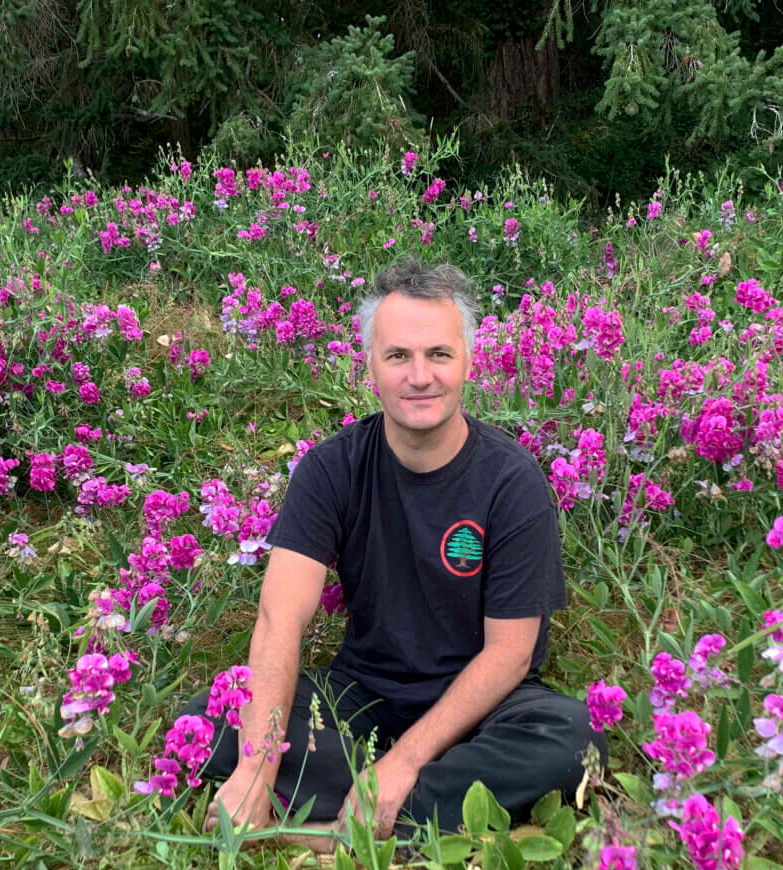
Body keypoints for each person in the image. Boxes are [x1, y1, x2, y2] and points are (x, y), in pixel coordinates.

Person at [181, 257, 604, 839]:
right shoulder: (331, 468)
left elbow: (509, 655)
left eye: (439, 354)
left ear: (468, 363)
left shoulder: (513, 480)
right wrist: (258, 762)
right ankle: (430, 814)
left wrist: (403, 762)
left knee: (570, 737)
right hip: (362, 697)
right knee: (205, 720)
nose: (420, 376)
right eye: (399, 355)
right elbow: (281, 615)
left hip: (481, 709)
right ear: (371, 366)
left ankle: (345, 813)